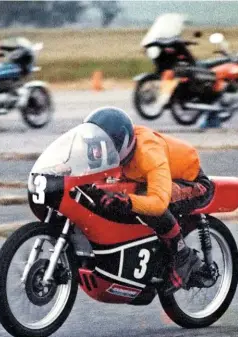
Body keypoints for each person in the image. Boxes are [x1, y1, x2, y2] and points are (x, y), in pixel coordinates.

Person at [82, 107, 214, 295]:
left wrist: (128, 202)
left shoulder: (148, 153)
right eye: (94, 146)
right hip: (148, 178)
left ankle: (183, 256)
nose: (96, 153)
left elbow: (159, 202)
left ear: (121, 144)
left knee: (145, 201)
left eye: (102, 147)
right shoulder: (118, 147)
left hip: (193, 183)